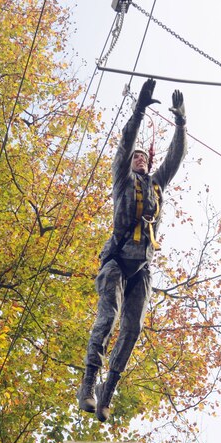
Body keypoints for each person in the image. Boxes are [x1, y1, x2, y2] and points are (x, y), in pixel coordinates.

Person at [78, 78, 187, 422]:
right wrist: (138, 110)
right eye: (136, 157)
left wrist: (181, 123)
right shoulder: (121, 180)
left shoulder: (156, 184)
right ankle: (88, 382)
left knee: (133, 327)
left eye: (143, 156)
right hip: (116, 260)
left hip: (142, 266)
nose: (139, 159)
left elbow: (175, 157)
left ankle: (107, 391)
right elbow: (125, 142)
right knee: (108, 318)